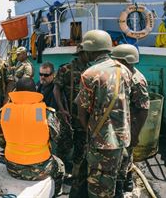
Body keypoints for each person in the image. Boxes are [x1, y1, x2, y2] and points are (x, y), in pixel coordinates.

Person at [75, 30, 132, 198]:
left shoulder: (90, 74)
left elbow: (82, 112)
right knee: (113, 180)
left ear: (91, 50)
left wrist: (92, 131)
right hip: (122, 139)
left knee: (98, 187)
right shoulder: (125, 70)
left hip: (101, 142)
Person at [0, 78, 65, 196]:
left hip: (12, 168)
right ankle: (56, 193)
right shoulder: (45, 112)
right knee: (60, 167)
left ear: (16, 91)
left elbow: (0, 142)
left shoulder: (5, 112)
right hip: (41, 168)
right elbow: (57, 137)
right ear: (35, 91)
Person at [111, 44, 149, 197]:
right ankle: (127, 181)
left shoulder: (136, 80)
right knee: (126, 158)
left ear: (124, 61)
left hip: (128, 127)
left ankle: (120, 189)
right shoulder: (123, 76)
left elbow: (143, 110)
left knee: (123, 159)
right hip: (123, 125)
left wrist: (135, 133)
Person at [53, 44, 89, 182]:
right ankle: (59, 174)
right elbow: (57, 89)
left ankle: (76, 175)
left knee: (81, 144)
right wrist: (62, 109)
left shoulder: (90, 70)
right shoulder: (65, 69)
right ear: (81, 54)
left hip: (83, 117)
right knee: (63, 145)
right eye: (87, 53)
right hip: (67, 116)